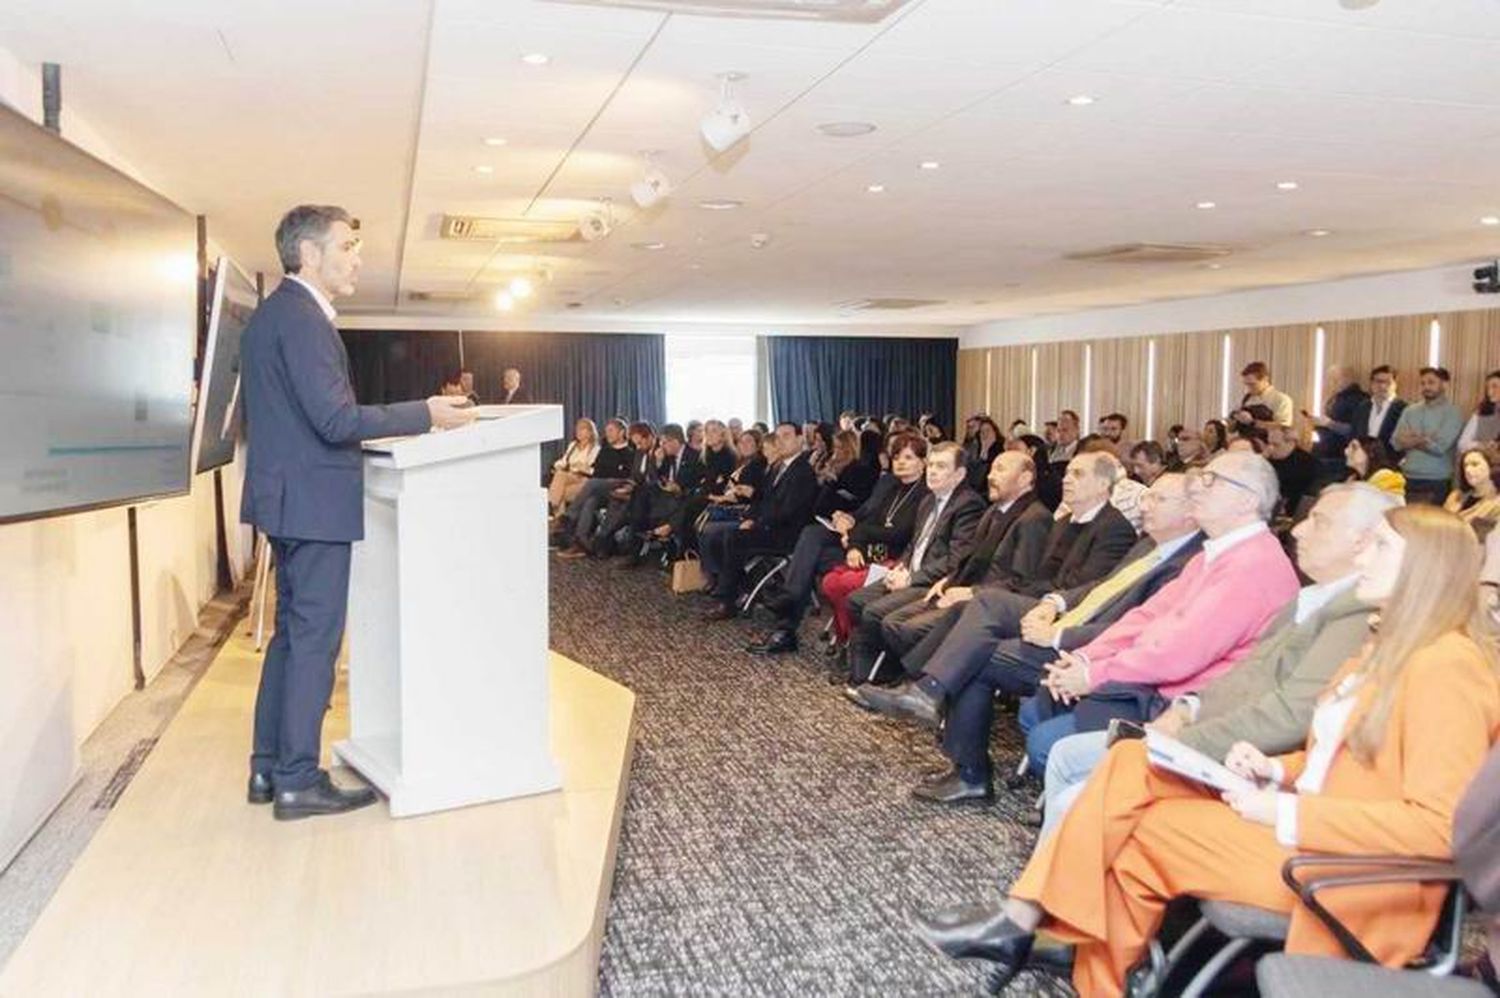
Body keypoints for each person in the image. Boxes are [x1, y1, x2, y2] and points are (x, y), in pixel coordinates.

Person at [912, 502, 1500, 997]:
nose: (1363, 558)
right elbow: (1344, 756)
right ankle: (1050, 936)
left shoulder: (1446, 669)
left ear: (1422, 572)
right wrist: (1279, 767)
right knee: (1130, 764)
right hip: (1310, 830)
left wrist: (1285, 808)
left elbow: (1440, 829)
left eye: (1380, 548)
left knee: (1142, 832)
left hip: (1354, 870)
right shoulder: (1387, 648)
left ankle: (1041, 929)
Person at [240, 205, 475, 820]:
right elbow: (336, 420)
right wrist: (425, 412)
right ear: (310, 254)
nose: (357, 256)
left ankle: (268, 769)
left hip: (287, 500)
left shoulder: (273, 317)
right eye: (347, 245)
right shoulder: (304, 320)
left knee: (292, 638)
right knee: (314, 642)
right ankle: (297, 779)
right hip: (314, 504)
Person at [1037, 484, 1397, 835]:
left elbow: (1291, 714)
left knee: (1075, 792)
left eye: (1319, 521)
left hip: (1250, 758)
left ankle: (1053, 889)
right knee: (1068, 757)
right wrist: (1187, 708)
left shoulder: (1353, 609)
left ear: (1362, 540)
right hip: (1208, 722)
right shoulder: (1312, 593)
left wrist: (1183, 737)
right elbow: (1243, 671)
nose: (1299, 529)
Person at [863, 473, 1201, 803]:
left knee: (978, 654)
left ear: (1190, 511)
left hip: (1091, 649)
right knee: (986, 602)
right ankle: (930, 691)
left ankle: (968, 770)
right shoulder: (1150, 544)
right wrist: (1054, 603)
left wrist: (1059, 634)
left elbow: (1135, 630)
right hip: (1069, 616)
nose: (1146, 503)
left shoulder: (1188, 564)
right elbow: (1100, 589)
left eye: (1158, 498)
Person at [1016, 452, 1299, 774]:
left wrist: (1094, 675)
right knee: (1040, 708)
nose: (1198, 489)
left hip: (1184, 707)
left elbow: (1178, 653)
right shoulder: (1216, 554)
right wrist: (1086, 658)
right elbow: (1145, 616)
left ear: (1247, 501)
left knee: (1048, 743)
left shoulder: (1252, 567)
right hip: (1149, 682)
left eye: (1211, 481)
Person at [842, 442, 985, 684]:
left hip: (933, 582)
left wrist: (911, 578)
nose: (932, 471)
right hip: (911, 573)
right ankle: (869, 669)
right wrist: (899, 566)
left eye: (941, 466)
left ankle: (887, 670)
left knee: (876, 612)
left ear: (959, 474)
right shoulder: (929, 500)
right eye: (931, 465)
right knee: (856, 600)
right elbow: (914, 545)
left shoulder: (968, 505)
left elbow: (955, 560)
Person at [819, 434, 930, 647]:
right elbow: (868, 523)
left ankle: (857, 644)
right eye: (897, 457)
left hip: (897, 562)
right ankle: (847, 639)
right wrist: (854, 547)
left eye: (908, 457)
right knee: (830, 582)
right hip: (873, 553)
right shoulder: (892, 488)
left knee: (847, 584)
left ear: (923, 463)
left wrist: (859, 534)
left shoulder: (925, 494)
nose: (900, 462)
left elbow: (900, 534)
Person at [701, 423, 818, 618]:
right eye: (778, 436)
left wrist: (757, 521)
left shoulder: (803, 471)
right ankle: (743, 588)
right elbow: (762, 500)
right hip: (769, 526)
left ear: (800, 440)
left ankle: (727, 599)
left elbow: (788, 511)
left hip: (787, 533)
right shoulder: (778, 467)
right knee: (719, 537)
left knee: (732, 537)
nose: (780, 441)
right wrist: (750, 517)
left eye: (787, 436)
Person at [1393, 366, 1463, 504]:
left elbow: (1439, 448)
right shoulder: (1410, 411)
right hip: (1407, 477)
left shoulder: (1453, 413)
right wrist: (1425, 439)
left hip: (1437, 481)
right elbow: (1396, 442)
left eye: (1431, 382)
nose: (1426, 387)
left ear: (1444, 384)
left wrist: (1412, 439)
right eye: (1423, 383)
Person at [1306, 364, 1367, 474]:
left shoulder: (1361, 400)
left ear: (1348, 378)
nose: (1331, 383)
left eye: (1335, 379)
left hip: (1340, 454)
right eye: (1330, 379)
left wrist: (1329, 423)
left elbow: (1355, 430)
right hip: (1324, 450)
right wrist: (1318, 423)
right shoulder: (1336, 397)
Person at [1265, 422, 1322, 518]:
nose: (1270, 448)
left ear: (1291, 443)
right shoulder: (1268, 460)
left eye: (1276, 445)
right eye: (1269, 443)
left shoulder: (1308, 463)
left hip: (1293, 510)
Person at [547, 417, 601, 517]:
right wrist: (558, 466)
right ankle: (559, 520)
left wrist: (581, 466)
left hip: (583, 478)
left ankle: (552, 508)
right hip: (570, 476)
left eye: (582, 429)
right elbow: (563, 461)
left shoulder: (595, 448)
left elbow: (592, 469)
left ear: (590, 432)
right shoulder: (573, 445)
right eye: (577, 429)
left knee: (560, 492)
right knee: (560, 477)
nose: (578, 432)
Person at [1347, 364, 1406, 456]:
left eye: (1387, 382)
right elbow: (1353, 435)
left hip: (1389, 462)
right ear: (1371, 384)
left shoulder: (1404, 409)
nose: (1382, 386)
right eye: (1378, 381)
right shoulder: (1362, 407)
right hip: (1362, 461)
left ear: (1395, 385)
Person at [1444, 446, 1500, 537]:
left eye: (1475, 464)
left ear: (1492, 466)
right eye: (1465, 465)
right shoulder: (1455, 496)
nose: (1468, 470)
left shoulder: (1497, 503)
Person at [1234, 360, 1295, 428]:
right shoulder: (1247, 399)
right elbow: (1233, 428)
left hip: (1268, 438)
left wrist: (1252, 422)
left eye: (1252, 384)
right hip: (1243, 437)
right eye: (1246, 384)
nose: (1248, 388)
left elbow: (1283, 427)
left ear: (1265, 379)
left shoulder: (1282, 400)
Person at [1459, 369, 1500, 451]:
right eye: (1487, 388)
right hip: (1486, 462)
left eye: (1495, 386)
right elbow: (1462, 444)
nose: (1489, 392)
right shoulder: (1480, 414)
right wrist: (1481, 445)